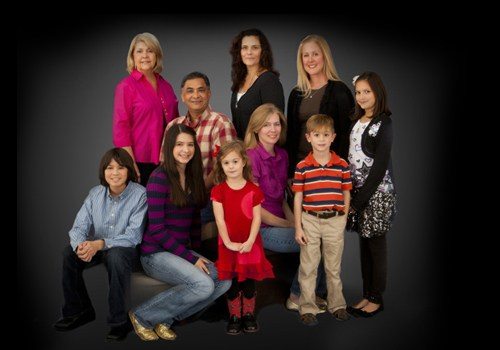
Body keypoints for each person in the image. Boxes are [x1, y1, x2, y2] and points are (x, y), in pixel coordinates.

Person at [128, 125, 231, 341]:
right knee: (203, 284)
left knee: (224, 279)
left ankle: (166, 319)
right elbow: (156, 229)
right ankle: (142, 316)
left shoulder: (193, 176)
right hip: (155, 254)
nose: (186, 150)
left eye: (190, 145)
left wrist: (198, 253)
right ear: (169, 147)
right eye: (180, 145)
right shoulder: (159, 178)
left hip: (180, 251)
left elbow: (194, 221)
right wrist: (191, 259)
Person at [53, 148, 147, 342]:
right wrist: (81, 245)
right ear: (103, 171)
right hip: (97, 246)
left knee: (115, 256)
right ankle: (79, 311)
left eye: (120, 168)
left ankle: (119, 322)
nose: (115, 173)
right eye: (109, 167)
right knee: (68, 254)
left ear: (129, 170)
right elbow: (79, 226)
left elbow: (133, 235)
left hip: (126, 250)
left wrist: (100, 244)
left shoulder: (140, 194)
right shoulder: (95, 194)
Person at [244, 103, 328, 313]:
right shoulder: (250, 157)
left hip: (281, 223)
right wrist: (291, 225)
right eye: (266, 125)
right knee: (312, 242)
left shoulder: (282, 155)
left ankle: (316, 293)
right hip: (259, 228)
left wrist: (296, 223)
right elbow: (255, 210)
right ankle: (296, 296)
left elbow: (281, 198)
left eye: (276, 124)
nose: (273, 129)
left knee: (323, 235)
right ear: (256, 129)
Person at [292, 114, 352, 326]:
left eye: (326, 135)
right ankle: (307, 307)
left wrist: (343, 216)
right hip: (310, 220)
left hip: (334, 220)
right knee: (308, 266)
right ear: (309, 137)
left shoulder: (341, 164)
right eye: (316, 135)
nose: (321, 139)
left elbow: (346, 191)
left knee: (333, 267)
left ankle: (337, 305)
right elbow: (298, 197)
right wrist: (298, 226)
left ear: (333, 137)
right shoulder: (303, 166)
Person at [346, 72, 396, 318]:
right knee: (364, 245)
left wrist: (358, 201)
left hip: (377, 194)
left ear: (378, 93)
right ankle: (367, 294)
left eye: (367, 91)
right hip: (359, 193)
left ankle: (377, 297)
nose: (362, 97)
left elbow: (378, 168)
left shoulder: (382, 123)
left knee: (376, 245)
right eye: (358, 92)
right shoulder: (358, 120)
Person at [211, 140, 274, 335]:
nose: (231, 166)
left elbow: (257, 219)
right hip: (227, 243)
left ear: (244, 162)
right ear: (221, 166)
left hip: (250, 243)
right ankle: (234, 316)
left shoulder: (254, 190)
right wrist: (229, 242)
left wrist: (249, 241)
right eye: (226, 163)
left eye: (235, 162)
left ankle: (248, 314)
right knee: (231, 281)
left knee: (248, 281)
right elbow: (219, 220)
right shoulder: (218, 191)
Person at [163, 71, 237, 229]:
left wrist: (197, 194)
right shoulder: (173, 127)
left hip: (208, 199)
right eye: (190, 91)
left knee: (184, 229)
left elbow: (222, 168)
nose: (195, 95)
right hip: (177, 197)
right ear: (182, 96)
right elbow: (165, 165)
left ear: (209, 94)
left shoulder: (220, 123)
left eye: (201, 90)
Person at [113, 32, 179, 187]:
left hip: (168, 159)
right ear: (132, 56)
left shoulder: (166, 85)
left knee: (165, 208)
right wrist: (129, 163)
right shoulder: (126, 86)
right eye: (140, 51)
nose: (145, 55)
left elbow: (176, 121)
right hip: (140, 160)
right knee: (143, 208)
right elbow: (120, 128)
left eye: (150, 51)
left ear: (157, 55)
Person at [286, 34, 354, 177]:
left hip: (329, 170)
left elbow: (346, 136)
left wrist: (339, 171)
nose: (310, 60)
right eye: (306, 55)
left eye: (315, 54)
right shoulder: (296, 93)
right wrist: (290, 173)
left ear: (325, 57)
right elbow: (291, 136)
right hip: (300, 168)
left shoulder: (340, 91)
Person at [230, 28, 285, 139]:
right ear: (239, 52)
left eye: (255, 47)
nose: (249, 52)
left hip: (262, 152)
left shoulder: (269, 81)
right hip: (242, 151)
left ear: (263, 51)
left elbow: (275, 124)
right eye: (244, 48)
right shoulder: (240, 80)